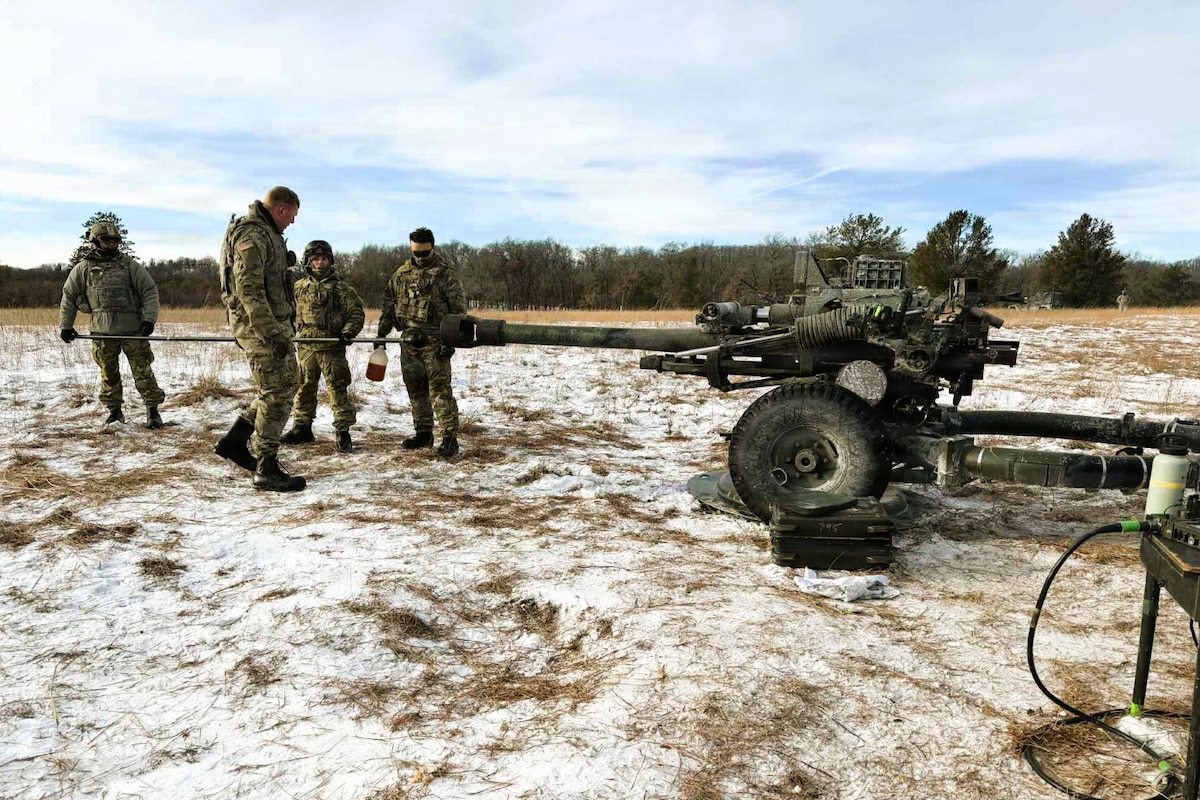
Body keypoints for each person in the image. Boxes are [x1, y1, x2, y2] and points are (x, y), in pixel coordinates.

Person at [213, 186, 306, 492]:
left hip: (271, 325)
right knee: (277, 390)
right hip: (260, 328)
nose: (292, 222)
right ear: (281, 209)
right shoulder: (253, 235)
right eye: (292, 215)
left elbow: (271, 283)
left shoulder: (268, 235)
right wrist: (272, 333)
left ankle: (235, 441)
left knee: (288, 382)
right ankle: (266, 467)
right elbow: (249, 291)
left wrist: (294, 272)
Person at [59, 221, 166, 428]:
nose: (111, 244)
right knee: (109, 375)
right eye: (106, 240)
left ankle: (153, 411)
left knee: (143, 373)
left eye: (115, 240)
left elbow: (149, 291)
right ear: (95, 241)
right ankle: (115, 412)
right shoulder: (83, 268)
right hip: (102, 332)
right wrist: (66, 325)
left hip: (133, 331)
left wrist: (149, 320)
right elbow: (69, 296)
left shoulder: (130, 266)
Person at [376, 226, 467, 457]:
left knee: (439, 391)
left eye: (424, 253)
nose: (419, 258)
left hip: (436, 342)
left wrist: (451, 341)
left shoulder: (446, 274)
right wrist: (381, 336)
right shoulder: (401, 274)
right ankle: (423, 433)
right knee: (416, 391)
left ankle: (449, 437)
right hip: (409, 341)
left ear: (432, 248)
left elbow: (458, 313)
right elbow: (389, 304)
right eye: (415, 253)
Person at [280, 240, 365, 453]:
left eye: (324, 259)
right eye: (315, 259)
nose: (320, 263)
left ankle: (342, 431)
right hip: (306, 345)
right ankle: (302, 427)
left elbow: (356, 313)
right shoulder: (299, 287)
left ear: (330, 260)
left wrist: (348, 331)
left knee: (337, 387)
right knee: (305, 386)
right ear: (308, 262)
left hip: (330, 346)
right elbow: (289, 312)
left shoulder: (341, 288)